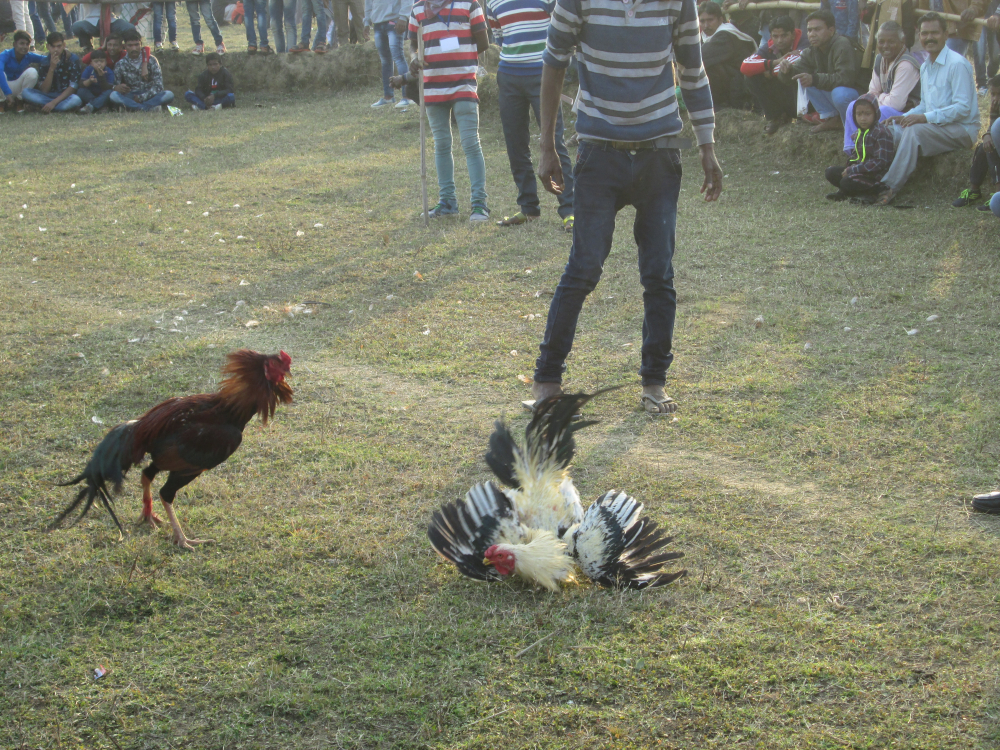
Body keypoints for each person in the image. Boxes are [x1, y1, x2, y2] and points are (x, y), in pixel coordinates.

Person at [530, 0, 723, 414]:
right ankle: (547, 380)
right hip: (599, 155)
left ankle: (654, 383)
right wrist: (547, 145)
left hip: (660, 156)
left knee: (658, 273)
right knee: (584, 266)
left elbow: (693, 70)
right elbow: (553, 64)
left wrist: (707, 146)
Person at [486, 0, 574, 230]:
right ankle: (528, 208)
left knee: (554, 142)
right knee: (515, 144)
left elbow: (561, 30)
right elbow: (499, 38)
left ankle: (570, 210)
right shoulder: (493, 2)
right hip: (508, 76)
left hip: (543, 75)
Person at [876, 13, 980, 205]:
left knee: (914, 132)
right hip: (936, 127)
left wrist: (924, 118)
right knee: (889, 130)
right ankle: (868, 178)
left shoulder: (957, 65)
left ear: (946, 34)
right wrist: (904, 117)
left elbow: (963, 109)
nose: (929, 38)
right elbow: (925, 105)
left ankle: (888, 187)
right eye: (924, 33)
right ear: (919, 35)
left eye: (934, 33)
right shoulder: (925, 66)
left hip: (961, 130)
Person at [407, 0, 491, 222]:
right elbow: (412, 45)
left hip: (463, 84)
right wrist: (414, 59)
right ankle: (447, 202)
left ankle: (479, 204)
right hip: (432, 87)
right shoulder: (417, 8)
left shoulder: (470, 5)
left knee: (471, 143)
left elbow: (483, 42)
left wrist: (457, 53)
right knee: (441, 145)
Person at [843, 20, 921, 152]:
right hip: (888, 106)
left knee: (882, 111)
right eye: (881, 41)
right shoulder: (880, 59)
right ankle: (853, 150)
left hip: (908, 113)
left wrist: (880, 96)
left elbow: (895, 104)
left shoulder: (906, 64)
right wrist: (884, 97)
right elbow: (872, 93)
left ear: (902, 42)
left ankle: (869, 149)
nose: (886, 46)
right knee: (853, 106)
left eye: (891, 42)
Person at [779, 10, 861, 134]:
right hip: (838, 92)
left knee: (839, 94)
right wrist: (786, 71)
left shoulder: (842, 44)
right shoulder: (811, 50)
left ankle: (851, 125)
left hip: (857, 94)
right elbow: (793, 76)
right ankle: (832, 119)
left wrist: (815, 79)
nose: (812, 34)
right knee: (804, 79)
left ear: (831, 30)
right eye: (810, 30)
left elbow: (846, 79)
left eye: (817, 29)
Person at [741, 14, 806, 133]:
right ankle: (776, 117)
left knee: (793, 72)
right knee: (750, 77)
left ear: (792, 34)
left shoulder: (804, 40)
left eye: (784, 35)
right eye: (776, 36)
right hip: (786, 92)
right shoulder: (771, 45)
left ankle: (803, 116)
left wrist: (770, 71)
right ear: (770, 36)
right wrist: (774, 62)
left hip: (804, 93)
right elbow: (745, 66)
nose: (779, 40)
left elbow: (795, 62)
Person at [824, 94, 895, 201]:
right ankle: (845, 192)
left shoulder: (881, 133)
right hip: (859, 172)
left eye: (867, 114)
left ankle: (877, 191)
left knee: (847, 180)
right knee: (830, 172)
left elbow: (881, 162)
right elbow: (855, 156)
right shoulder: (858, 132)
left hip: (875, 176)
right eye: (859, 114)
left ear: (876, 114)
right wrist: (849, 168)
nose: (863, 119)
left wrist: (853, 170)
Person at [952, 75, 1000, 207]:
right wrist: (986, 135)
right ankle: (974, 189)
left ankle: (998, 193)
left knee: (992, 147)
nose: (995, 99)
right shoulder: (996, 105)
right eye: (993, 94)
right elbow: (993, 127)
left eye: (999, 94)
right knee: (984, 146)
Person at [699, 1, 757, 109]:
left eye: (710, 20)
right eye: (702, 21)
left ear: (721, 19)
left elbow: (700, 57)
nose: (706, 25)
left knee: (705, 66)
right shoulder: (705, 36)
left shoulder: (725, 35)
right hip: (730, 83)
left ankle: (719, 105)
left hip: (739, 87)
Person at [110, 28, 175, 111]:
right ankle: (147, 108)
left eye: (136, 45)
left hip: (149, 94)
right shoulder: (120, 64)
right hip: (131, 95)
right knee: (113, 95)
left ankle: (134, 108)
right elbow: (115, 86)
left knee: (169, 94)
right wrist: (117, 87)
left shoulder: (151, 60)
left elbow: (159, 86)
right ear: (125, 46)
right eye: (130, 45)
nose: (134, 48)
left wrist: (141, 97)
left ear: (141, 45)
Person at [21, 32, 82, 112]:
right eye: (53, 46)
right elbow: (44, 90)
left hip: (66, 96)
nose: (56, 49)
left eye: (59, 46)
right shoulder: (44, 62)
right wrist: (51, 68)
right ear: (48, 46)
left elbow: (73, 88)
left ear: (64, 45)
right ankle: (55, 108)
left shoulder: (73, 60)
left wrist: (53, 103)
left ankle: (46, 107)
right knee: (26, 92)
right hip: (48, 95)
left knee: (76, 99)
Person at [366, 0, 411, 108]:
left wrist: (404, 17)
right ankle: (388, 96)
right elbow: (368, 2)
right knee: (385, 60)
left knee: (398, 57)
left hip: (394, 21)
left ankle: (407, 96)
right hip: (378, 23)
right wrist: (366, 22)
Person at [0, 30, 46, 112]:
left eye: (27, 44)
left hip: (17, 88)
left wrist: (61, 53)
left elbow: (45, 59)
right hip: (4, 88)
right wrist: (7, 93)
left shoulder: (29, 56)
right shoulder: (5, 54)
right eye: (21, 43)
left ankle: (19, 101)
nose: (24, 47)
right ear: (14, 44)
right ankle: (2, 103)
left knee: (32, 72)